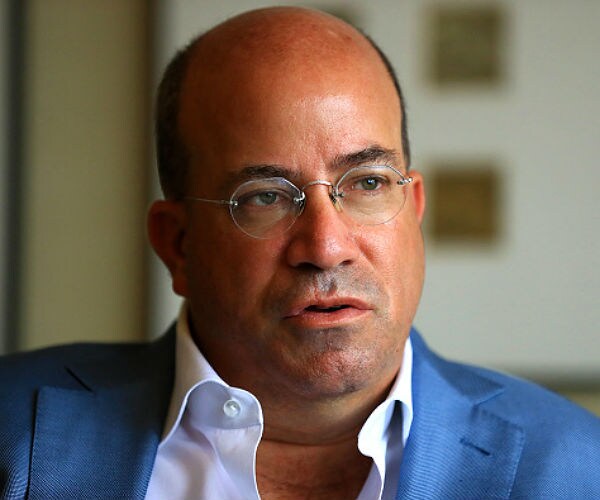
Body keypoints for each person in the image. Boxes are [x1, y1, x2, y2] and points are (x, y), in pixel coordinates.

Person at [1, 6, 599, 499]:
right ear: (177, 244)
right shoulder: (11, 429)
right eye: (264, 196)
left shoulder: (578, 466)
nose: (327, 248)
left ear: (413, 211)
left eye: (367, 183)